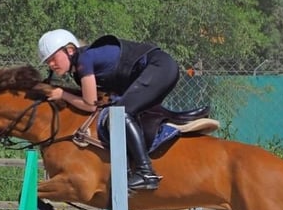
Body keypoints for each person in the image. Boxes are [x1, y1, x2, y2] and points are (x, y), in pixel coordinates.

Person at [37, 29, 180, 191]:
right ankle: (130, 169)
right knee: (119, 111)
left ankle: (146, 172)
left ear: (69, 50)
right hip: (160, 68)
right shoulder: (81, 65)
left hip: (159, 67)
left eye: (53, 58)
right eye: (47, 61)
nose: (51, 64)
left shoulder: (84, 61)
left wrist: (62, 94)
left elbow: (90, 104)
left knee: (120, 115)